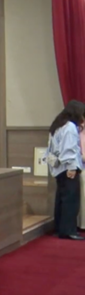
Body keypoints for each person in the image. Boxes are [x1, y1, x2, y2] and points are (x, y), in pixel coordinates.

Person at [47, 100, 85, 240]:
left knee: (61, 199)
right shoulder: (69, 127)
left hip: (58, 168)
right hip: (68, 167)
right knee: (71, 200)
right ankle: (69, 230)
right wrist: (72, 167)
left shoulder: (57, 126)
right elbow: (69, 149)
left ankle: (59, 228)